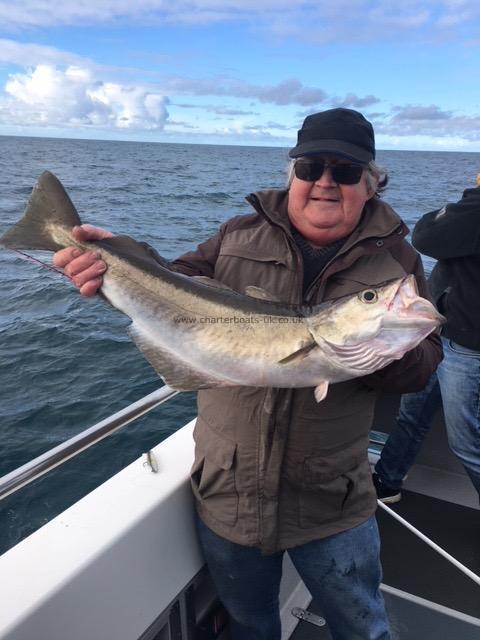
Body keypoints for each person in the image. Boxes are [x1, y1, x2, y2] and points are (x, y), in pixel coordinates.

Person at [53, 108, 442, 640]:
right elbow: (174, 284)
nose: (325, 183)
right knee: (249, 627)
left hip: (331, 500)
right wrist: (114, 261)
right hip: (229, 490)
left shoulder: (397, 260)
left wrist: (389, 349)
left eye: (346, 172)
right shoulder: (236, 233)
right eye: (311, 167)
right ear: (292, 174)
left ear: (371, 185)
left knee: (364, 628)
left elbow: (422, 371)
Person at [374, 181, 480, 504]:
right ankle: (388, 479)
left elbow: (423, 234)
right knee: (413, 414)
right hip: (443, 333)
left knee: (466, 442)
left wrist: (470, 197)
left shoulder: (474, 209)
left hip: (466, 345)